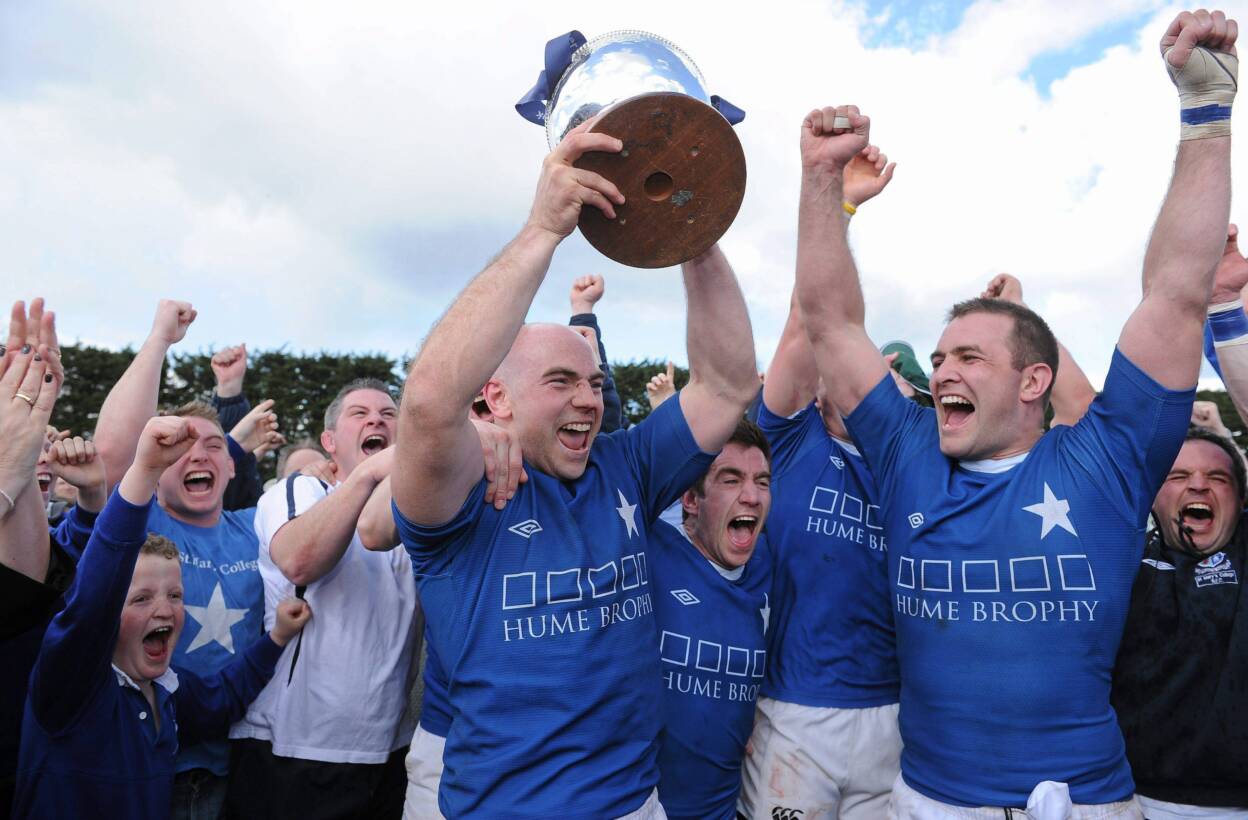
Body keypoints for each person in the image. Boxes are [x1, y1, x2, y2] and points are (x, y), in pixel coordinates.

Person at [791, 9, 1234, 817]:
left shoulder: (1107, 459)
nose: (941, 371)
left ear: (1035, 382)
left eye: (968, 358)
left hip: (1087, 801)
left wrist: (1206, 113)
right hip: (929, 800)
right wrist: (821, 181)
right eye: (939, 358)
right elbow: (830, 322)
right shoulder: (906, 451)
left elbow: (1175, 292)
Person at [390, 118, 759, 818]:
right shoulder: (466, 492)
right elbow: (430, 406)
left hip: (637, 804)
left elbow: (727, 384)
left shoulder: (625, 467)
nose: (589, 400)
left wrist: (693, 225)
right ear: (495, 396)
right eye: (561, 382)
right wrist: (541, 233)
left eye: (593, 382)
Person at [12, 414, 311, 820]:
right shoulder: (70, 682)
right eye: (140, 599)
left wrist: (277, 637)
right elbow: (99, 578)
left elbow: (221, 696)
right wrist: (142, 470)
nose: (165, 609)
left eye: (175, 595)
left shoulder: (166, 688)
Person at [740, 145, 905, 820]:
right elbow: (806, 326)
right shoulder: (789, 438)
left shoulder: (908, 461)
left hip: (895, 716)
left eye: (882, 370)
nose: (862, 377)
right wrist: (838, 208)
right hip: (797, 712)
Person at [94, 300, 268, 818]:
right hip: (148, 760)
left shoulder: (257, 528)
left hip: (237, 759)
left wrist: (231, 394)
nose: (198, 456)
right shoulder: (143, 524)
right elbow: (114, 453)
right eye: (180, 446)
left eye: (215, 447)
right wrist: (159, 341)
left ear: (232, 467)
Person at [225, 379, 419, 820]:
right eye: (360, 413)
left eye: (389, 415)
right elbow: (298, 560)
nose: (377, 420)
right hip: (292, 746)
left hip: (388, 747)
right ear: (330, 442)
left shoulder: (418, 510)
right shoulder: (302, 491)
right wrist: (369, 475)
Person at [1110, 225, 1248, 820]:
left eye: (1218, 479)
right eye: (1177, 476)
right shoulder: (1122, 550)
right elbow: (1087, 412)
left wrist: (1227, 310)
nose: (1197, 485)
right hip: (1121, 796)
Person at [649, 419, 773, 820]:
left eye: (763, 482)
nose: (751, 496)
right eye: (731, 480)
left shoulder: (770, 563)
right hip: (634, 806)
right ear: (690, 499)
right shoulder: (648, 545)